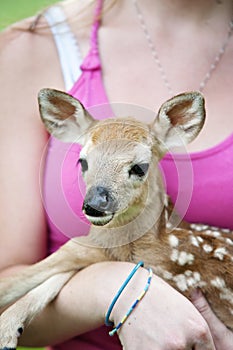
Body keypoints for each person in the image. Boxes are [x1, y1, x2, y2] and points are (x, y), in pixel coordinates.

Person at [0, 0, 232, 349]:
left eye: (135, 168)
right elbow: (7, 291)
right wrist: (117, 289)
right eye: (86, 163)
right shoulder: (33, 47)